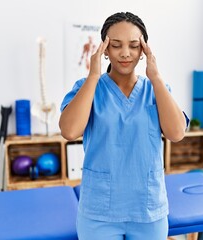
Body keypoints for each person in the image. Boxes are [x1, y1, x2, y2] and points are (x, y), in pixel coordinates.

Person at [59, 12, 188, 240]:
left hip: (148, 210)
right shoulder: (87, 87)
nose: (126, 53)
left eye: (134, 46)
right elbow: (69, 131)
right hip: (99, 212)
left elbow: (177, 133)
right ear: (105, 50)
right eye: (116, 45)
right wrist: (93, 76)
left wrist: (155, 76)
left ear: (143, 51)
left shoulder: (156, 89)